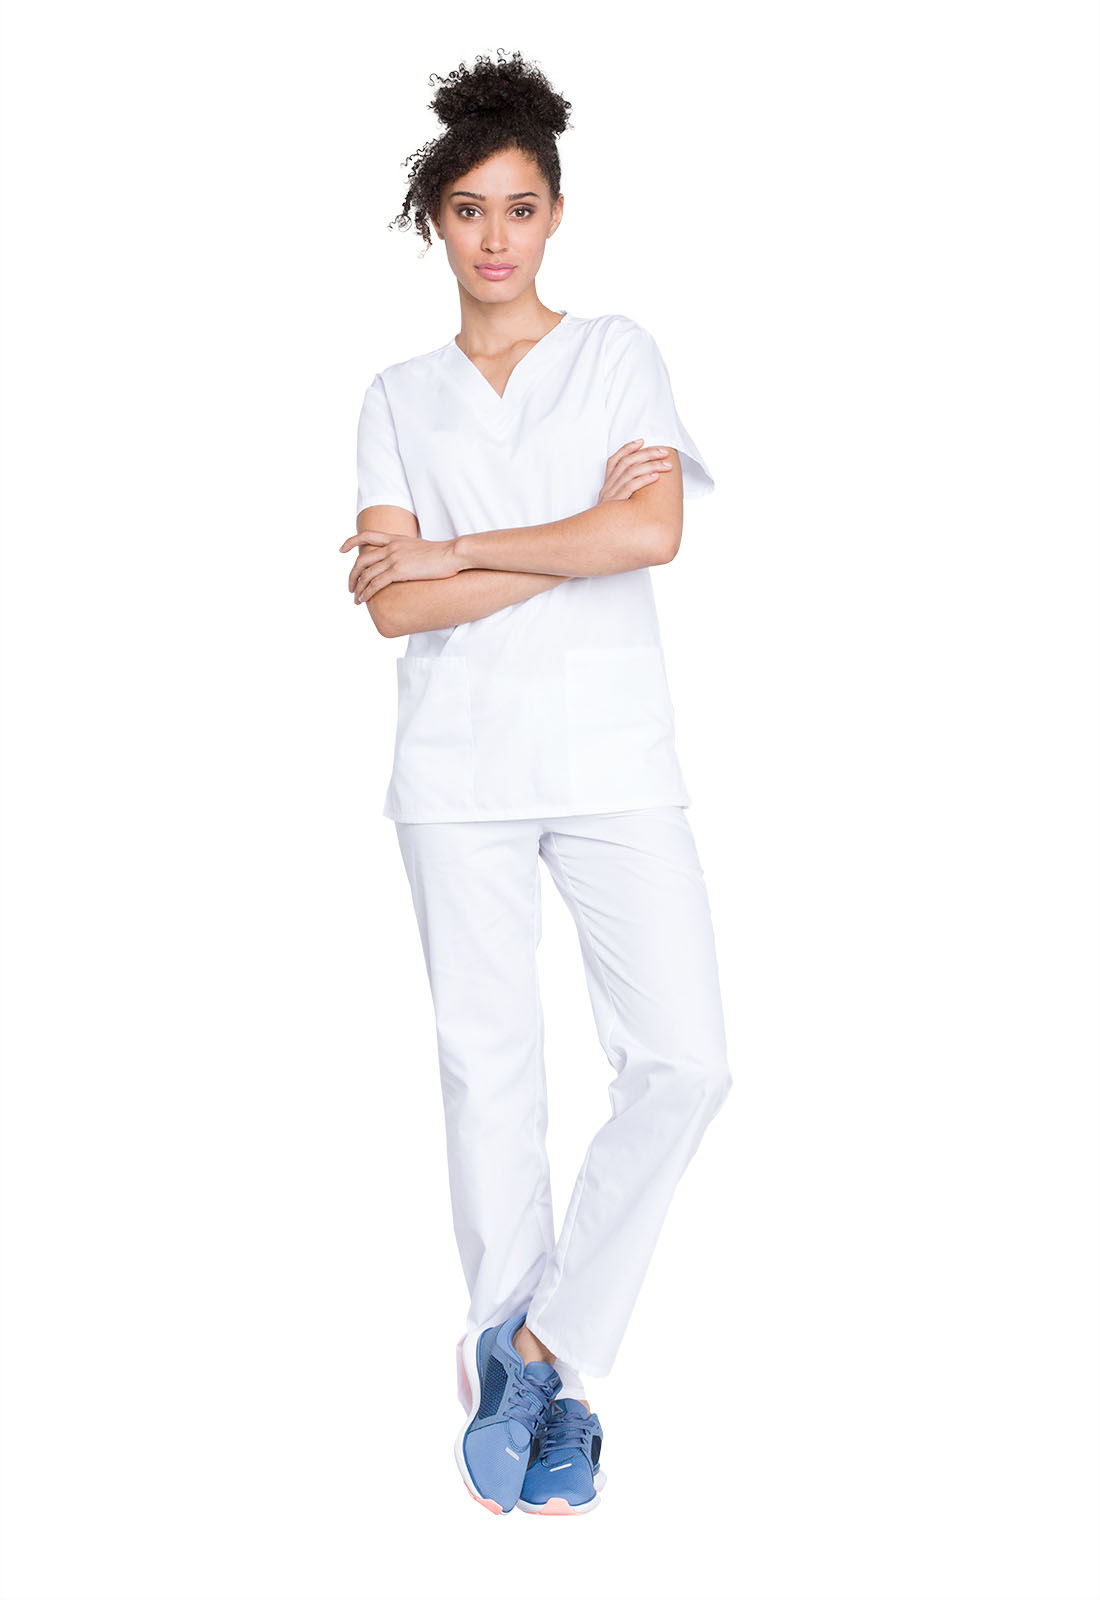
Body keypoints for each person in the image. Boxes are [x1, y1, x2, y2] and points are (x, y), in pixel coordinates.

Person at [339, 49, 733, 1518]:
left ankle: (543, 1345)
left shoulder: (618, 353)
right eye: (467, 211)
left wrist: (454, 546)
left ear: (555, 213)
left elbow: (650, 537)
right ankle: (526, 1377)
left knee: (686, 1062)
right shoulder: (396, 397)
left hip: (615, 757)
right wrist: (547, 542)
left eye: (519, 207)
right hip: (456, 771)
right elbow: (393, 609)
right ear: (433, 225)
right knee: (490, 1074)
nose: (494, 237)